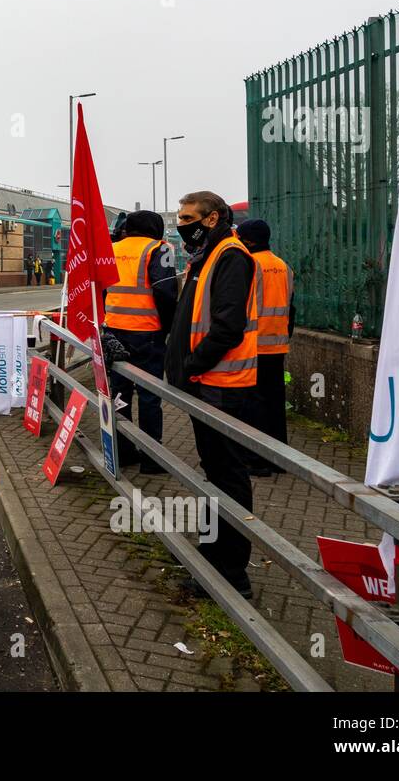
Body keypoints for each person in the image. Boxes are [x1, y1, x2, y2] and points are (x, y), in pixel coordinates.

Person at [164, 191, 261, 600]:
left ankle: (232, 571)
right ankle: (212, 550)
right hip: (207, 384)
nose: (182, 224)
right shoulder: (208, 255)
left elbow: (227, 327)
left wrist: (190, 365)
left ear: (212, 218)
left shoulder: (230, 257)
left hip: (222, 385)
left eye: (188, 217)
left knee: (228, 477)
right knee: (213, 472)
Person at [104, 210, 177, 474]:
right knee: (149, 395)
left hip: (114, 333)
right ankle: (151, 458)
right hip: (148, 334)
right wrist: (168, 328)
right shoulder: (159, 249)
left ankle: (122, 452)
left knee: (120, 393)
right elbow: (165, 292)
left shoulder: (111, 249)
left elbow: (101, 289)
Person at [237, 219, 294, 476]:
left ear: (248, 240)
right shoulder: (283, 266)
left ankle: (256, 460)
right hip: (278, 344)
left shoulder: (249, 265)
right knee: (274, 402)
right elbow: (290, 306)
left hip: (253, 345)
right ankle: (279, 458)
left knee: (253, 404)